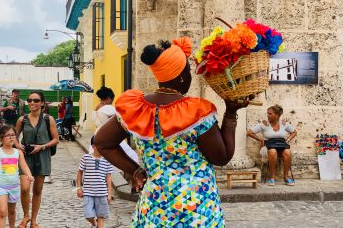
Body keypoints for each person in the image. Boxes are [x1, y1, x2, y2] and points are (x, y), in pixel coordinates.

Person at [94, 37, 250, 227]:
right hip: (197, 209)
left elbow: (102, 142)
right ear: (182, 77)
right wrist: (231, 114)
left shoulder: (137, 109)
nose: (191, 77)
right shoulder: (197, 112)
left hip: (155, 206)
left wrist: (134, 170)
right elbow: (222, 157)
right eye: (189, 72)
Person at [15, 91, 59, 228]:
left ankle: (33, 220)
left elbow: (56, 139)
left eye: (35, 100)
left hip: (42, 156)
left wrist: (42, 147)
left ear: (42, 103)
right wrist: (19, 147)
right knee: (24, 188)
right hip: (25, 157)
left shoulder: (48, 119)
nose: (32, 103)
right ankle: (26, 216)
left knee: (38, 190)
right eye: (29, 100)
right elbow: (14, 137)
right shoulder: (22, 120)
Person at [247, 105, 297, 186]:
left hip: (281, 145)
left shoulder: (284, 124)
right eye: (267, 113)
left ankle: (286, 177)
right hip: (268, 146)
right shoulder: (264, 124)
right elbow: (249, 132)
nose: (268, 115)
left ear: (277, 115)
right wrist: (261, 140)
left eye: (270, 114)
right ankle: (272, 177)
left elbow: (294, 132)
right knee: (273, 152)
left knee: (288, 152)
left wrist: (288, 140)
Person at [0, 125, 34, 228]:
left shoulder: (18, 152)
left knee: (12, 211)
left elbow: (24, 165)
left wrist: (29, 175)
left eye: (13, 135)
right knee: (3, 211)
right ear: (1, 138)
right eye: (8, 135)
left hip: (14, 187)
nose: (12, 137)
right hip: (0, 187)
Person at [91, 86, 138, 163]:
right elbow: (120, 120)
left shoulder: (95, 109)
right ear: (109, 98)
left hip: (97, 136)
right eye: (112, 100)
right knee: (132, 157)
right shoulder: (109, 108)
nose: (112, 102)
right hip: (110, 136)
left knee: (100, 160)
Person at [77, 136, 113, 228]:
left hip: (102, 193)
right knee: (88, 215)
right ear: (93, 147)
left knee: (101, 216)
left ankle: (98, 225)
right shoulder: (86, 158)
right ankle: (94, 224)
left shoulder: (107, 160)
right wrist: (78, 188)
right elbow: (80, 172)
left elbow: (108, 177)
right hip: (88, 193)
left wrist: (109, 194)